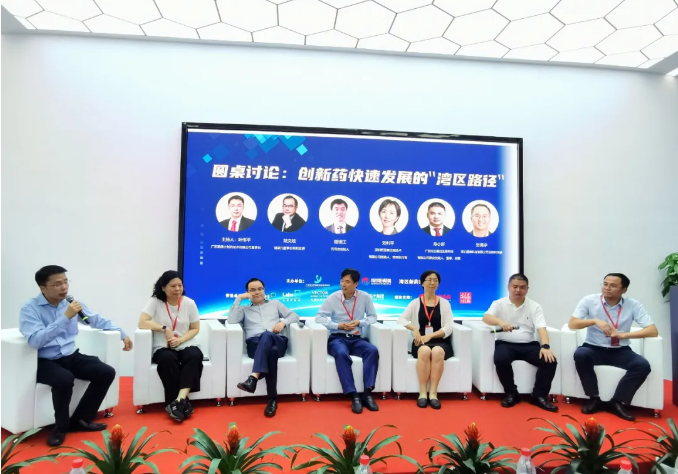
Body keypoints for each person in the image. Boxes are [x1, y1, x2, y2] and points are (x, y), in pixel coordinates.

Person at [19, 265, 133, 447]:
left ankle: (81, 419)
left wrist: (122, 333)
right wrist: (64, 318)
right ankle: (60, 428)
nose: (64, 287)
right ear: (43, 288)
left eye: (66, 282)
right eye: (57, 284)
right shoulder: (30, 308)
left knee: (106, 372)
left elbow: (96, 320)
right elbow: (34, 341)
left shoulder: (71, 303)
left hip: (71, 355)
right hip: (45, 361)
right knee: (64, 379)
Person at [569, 273, 658, 421]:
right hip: (593, 348)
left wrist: (622, 335)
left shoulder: (633, 305)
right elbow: (573, 324)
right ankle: (594, 398)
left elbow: (652, 331)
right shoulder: (590, 300)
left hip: (620, 351)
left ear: (624, 290)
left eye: (613, 285)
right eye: (605, 284)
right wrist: (594, 321)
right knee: (580, 354)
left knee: (642, 365)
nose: (607, 288)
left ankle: (617, 402)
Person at [482, 274, 558, 412]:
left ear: (527, 289)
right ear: (508, 287)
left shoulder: (535, 306)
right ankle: (511, 393)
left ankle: (539, 396)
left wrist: (545, 346)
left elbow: (541, 328)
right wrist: (501, 322)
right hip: (505, 343)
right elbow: (486, 318)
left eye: (522, 287)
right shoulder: (499, 304)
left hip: (528, 344)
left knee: (550, 361)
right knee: (501, 359)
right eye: (515, 287)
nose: (518, 290)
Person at [137, 270, 202, 423]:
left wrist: (180, 340)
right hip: (162, 345)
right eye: (173, 286)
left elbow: (195, 328)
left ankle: (179, 401)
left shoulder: (189, 303)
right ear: (163, 287)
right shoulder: (155, 301)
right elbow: (142, 322)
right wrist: (164, 329)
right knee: (167, 360)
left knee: (195, 356)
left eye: (180, 285)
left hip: (185, 342)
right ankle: (179, 405)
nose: (177, 289)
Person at [228, 278, 299, 417]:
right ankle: (272, 400)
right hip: (255, 345)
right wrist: (238, 299)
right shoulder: (244, 310)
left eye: (260, 289)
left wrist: (283, 323)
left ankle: (254, 377)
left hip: (277, 340)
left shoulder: (275, 303)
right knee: (271, 352)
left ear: (264, 290)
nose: (257, 292)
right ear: (247, 293)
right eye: (252, 290)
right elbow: (231, 320)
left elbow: (294, 315)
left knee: (267, 335)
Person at [316, 268, 379, 413]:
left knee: (372, 350)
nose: (343, 284)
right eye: (342, 281)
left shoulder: (365, 297)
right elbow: (319, 317)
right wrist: (337, 326)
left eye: (347, 282)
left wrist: (359, 323)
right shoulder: (333, 298)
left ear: (356, 284)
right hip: (337, 338)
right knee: (341, 354)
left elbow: (373, 317)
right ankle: (353, 395)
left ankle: (367, 393)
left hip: (356, 338)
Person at [397, 270, 454, 409]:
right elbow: (401, 320)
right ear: (422, 283)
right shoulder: (415, 303)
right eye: (429, 280)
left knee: (437, 352)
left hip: (439, 340)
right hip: (420, 340)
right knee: (424, 351)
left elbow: (448, 327)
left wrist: (431, 336)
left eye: (435, 280)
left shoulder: (444, 303)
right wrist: (414, 329)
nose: (432, 283)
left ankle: (433, 393)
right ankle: (422, 393)